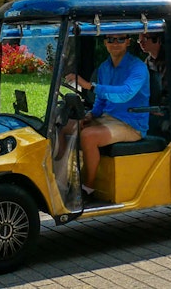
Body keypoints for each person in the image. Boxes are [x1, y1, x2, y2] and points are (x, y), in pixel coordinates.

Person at [61, 34, 149, 201]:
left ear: (128, 41)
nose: (115, 43)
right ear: (105, 43)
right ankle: (61, 178)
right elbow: (101, 101)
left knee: (88, 136)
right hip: (107, 118)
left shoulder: (137, 68)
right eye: (110, 39)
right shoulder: (104, 67)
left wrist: (89, 86)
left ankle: (87, 188)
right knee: (59, 125)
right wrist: (90, 115)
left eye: (120, 39)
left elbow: (125, 94)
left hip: (131, 123)